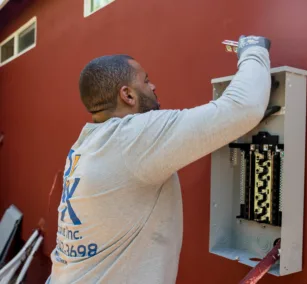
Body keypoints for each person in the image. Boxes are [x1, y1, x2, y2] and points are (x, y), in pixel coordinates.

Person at [47, 35, 272, 283]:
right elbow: (243, 108)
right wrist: (253, 50)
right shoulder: (131, 137)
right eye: (146, 81)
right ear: (128, 95)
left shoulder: (88, 142)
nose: (153, 86)